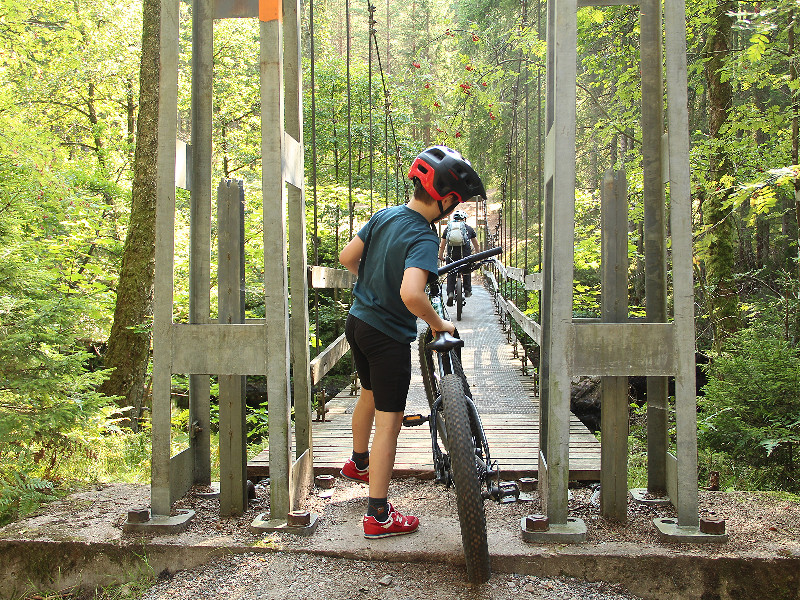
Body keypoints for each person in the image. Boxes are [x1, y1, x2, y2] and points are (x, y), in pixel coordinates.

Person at [338, 145, 486, 538]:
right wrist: (439, 324)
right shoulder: (423, 237)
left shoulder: (384, 216)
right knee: (389, 424)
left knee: (367, 394)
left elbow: (347, 256)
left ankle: (357, 462)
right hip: (387, 337)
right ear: (448, 200)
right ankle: (378, 515)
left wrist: (372, 284)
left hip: (358, 323)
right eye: (457, 203)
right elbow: (411, 295)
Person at [438, 209, 478, 306]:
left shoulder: (448, 229)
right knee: (466, 271)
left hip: (451, 257)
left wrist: (441, 256)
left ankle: (450, 293)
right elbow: (476, 244)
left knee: (451, 273)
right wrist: (477, 254)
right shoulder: (469, 228)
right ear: (464, 218)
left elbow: (442, 245)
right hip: (465, 256)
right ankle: (467, 290)